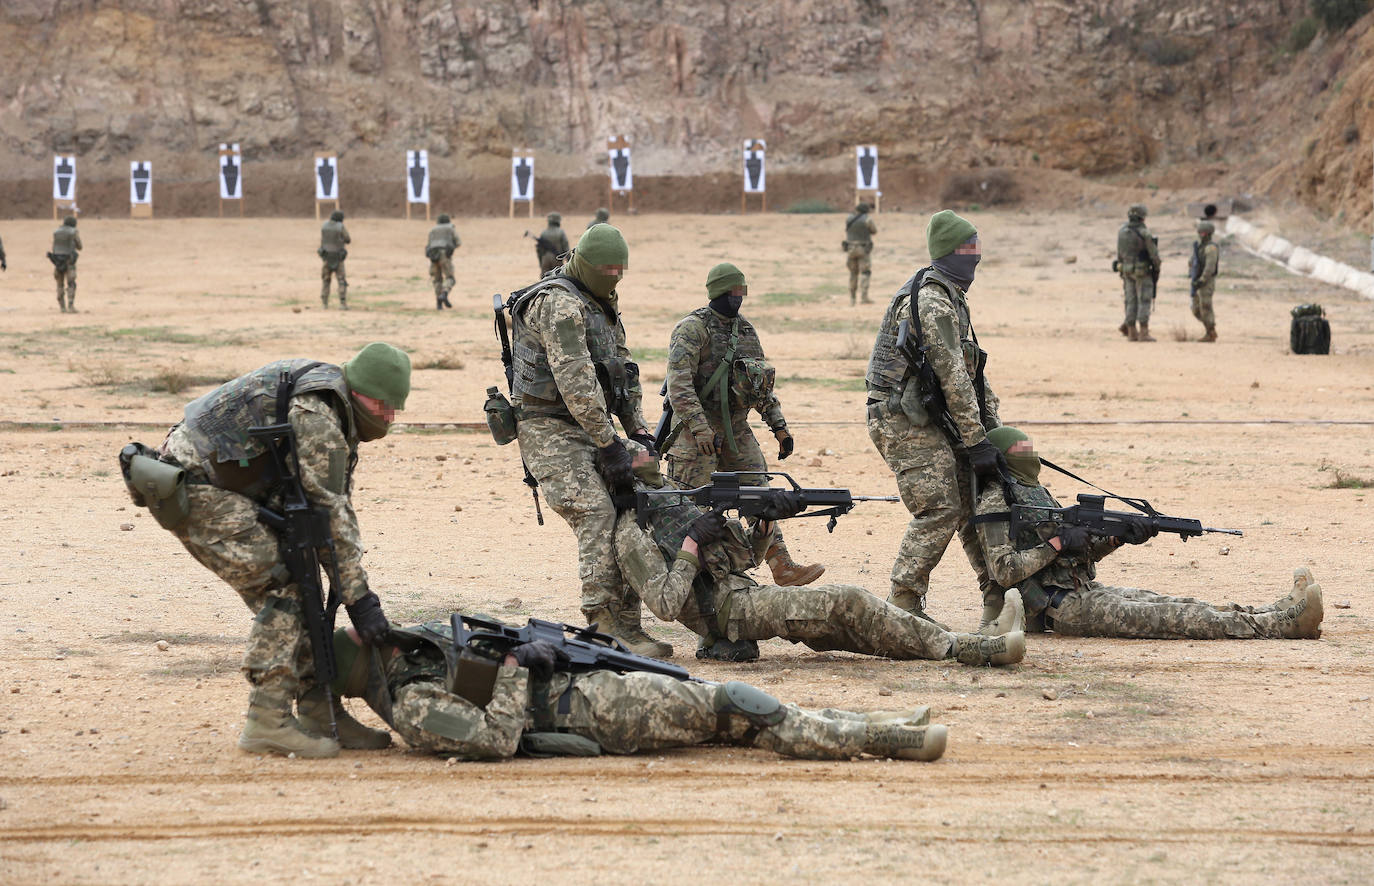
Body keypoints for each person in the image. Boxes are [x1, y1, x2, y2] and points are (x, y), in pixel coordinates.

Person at [145, 343, 411, 758]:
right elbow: (330, 511)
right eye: (382, 405)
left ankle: (319, 711)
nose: (388, 417)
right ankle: (266, 718)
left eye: (395, 409)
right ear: (360, 390)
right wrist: (361, 600)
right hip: (195, 488)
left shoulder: (337, 404)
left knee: (306, 582)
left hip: (232, 486)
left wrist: (346, 585)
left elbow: (332, 508)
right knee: (285, 590)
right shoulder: (318, 415)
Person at [615, 447, 1027, 665]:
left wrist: (765, 522)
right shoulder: (632, 532)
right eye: (644, 463)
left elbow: (745, 558)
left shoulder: (673, 502)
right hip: (728, 612)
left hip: (740, 598)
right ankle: (967, 648)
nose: (656, 467)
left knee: (851, 629)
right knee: (847, 600)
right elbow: (665, 605)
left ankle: (968, 644)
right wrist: (690, 544)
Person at [329, 617, 949, 761]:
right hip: (589, 712)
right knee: (732, 701)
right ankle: (882, 740)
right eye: (363, 643)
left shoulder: (415, 659)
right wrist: (518, 667)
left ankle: (872, 722)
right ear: (363, 669)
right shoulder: (412, 708)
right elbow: (493, 739)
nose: (374, 636)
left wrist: (529, 649)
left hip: (587, 687)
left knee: (727, 715)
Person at [971, 427, 1324, 640]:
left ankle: (1274, 611)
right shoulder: (996, 502)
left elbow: (1078, 552)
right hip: (1060, 607)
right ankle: (1281, 627)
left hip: (1084, 591)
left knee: (1183, 604)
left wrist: (1117, 538)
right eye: (1021, 450)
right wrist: (1059, 542)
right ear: (1003, 458)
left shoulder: (1034, 492)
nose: (1031, 455)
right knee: (1176, 619)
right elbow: (1004, 571)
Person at [510, 223, 670, 658]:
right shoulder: (558, 305)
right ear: (584, 264)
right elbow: (576, 381)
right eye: (607, 273)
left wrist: (637, 430)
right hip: (548, 428)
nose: (614, 280)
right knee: (597, 512)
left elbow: (622, 368)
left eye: (620, 273)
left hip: (592, 426)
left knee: (641, 493)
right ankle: (603, 622)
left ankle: (630, 623)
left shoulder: (601, 301)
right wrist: (610, 444)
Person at [866, 209, 1002, 623]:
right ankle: (903, 602)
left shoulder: (950, 295)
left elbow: (972, 373)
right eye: (969, 248)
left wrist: (991, 430)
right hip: (900, 420)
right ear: (949, 252)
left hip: (930, 415)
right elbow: (952, 375)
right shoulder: (931, 300)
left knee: (973, 499)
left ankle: (997, 595)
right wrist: (976, 440)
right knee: (940, 507)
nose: (976, 255)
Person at [663, 262, 824, 586]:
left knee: (759, 492)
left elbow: (759, 385)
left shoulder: (746, 331)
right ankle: (680, 573)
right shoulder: (692, 329)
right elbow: (679, 386)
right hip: (695, 432)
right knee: (691, 503)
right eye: (731, 291)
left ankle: (781, 564)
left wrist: (779, 426)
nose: (737, 298)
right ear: (717, 292)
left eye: (741, 291)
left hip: (735, 428)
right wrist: (700, 428)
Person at [1114, 204, 1160, 342]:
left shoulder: (1122, 232)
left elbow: (1119, 253)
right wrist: (1156, 268)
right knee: (1144, 300)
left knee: (1130, 300)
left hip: (1126, 270)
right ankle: (1144, 333)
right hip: (1142, 271)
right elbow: (1154, 255)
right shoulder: (1144, 233)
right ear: (1143, 217)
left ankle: (1131, 332)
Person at [1190, 220, 1220, 342]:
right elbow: (1192, 262)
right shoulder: (1199, 247)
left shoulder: (1211, 248)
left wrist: (1202, 280)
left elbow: (1210, 267)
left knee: (1206, 307)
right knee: (1195, 309)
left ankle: (1210, 332)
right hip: (1197, 281)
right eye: (1200, 232)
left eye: (1203, 233)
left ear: (1208, 233)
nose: (1200, 235)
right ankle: (1209, 327)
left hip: (1206, 282)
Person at [844, 202, 878, 305]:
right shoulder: (867, 219)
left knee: (853, 273)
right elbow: (874, 231)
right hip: (863, 248)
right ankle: (864, 297)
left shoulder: (849, 218)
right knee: (865, 273)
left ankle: (852, 298)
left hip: (850, 248)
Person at [426, 213, 460, 309]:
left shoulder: (432, 230)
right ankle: (444, 294)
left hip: (433, 255)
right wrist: (450, 248)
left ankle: (439, 303)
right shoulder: (450, 229)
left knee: (437, 280)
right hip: (445, 255)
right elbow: (458, 242)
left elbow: (428, 245)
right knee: (450, 278)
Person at [49, 216, 81, 313]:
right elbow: (79, 246)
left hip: (58, 261)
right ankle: (70, 306)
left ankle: (62, 307)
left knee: (59, 284)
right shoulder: (73, 232)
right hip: (69, 261)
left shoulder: (56, 232)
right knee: (71, 283)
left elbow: (54, 248)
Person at [319, 210, 350, 310]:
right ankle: (342, 303)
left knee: (326, 280)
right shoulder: (340, 227)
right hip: (338, 257)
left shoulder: (324, 226)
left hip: (326, 257)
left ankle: (324, 303)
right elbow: (348, 239)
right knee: (341, 280)